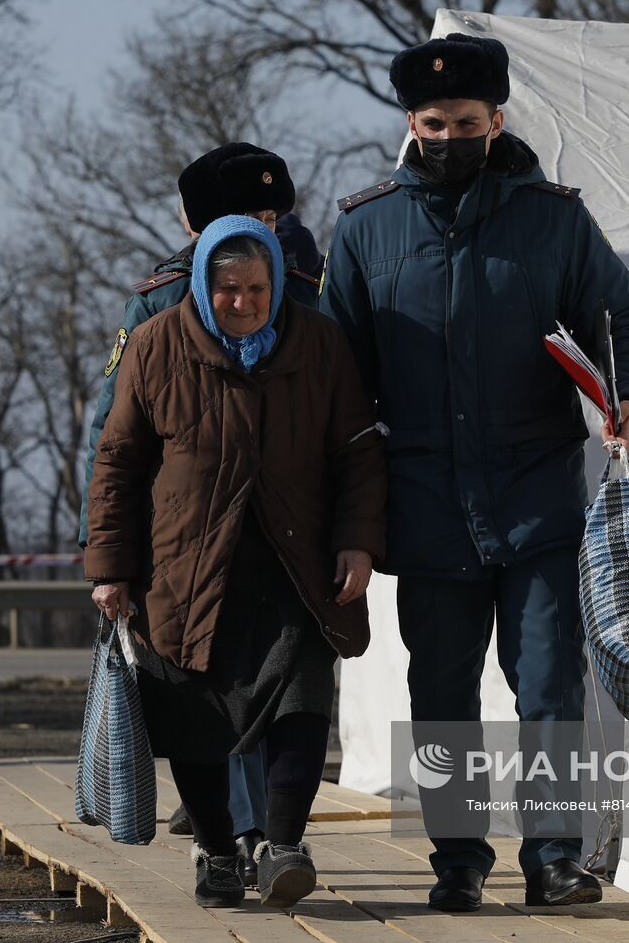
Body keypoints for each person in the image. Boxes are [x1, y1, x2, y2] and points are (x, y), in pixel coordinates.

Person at [320, 33, 629, 911]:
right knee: (440, 692)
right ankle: (458, 859)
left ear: (497, 121)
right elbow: (333, 380)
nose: (448, 138)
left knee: (547, 683)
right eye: (433, 124)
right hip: (425, 504)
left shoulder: (554, 220)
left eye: (466, 123)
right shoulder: (363, 230)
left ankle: (552, 858)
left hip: (536, 495)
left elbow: (624, 320)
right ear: (410, 123)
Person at [85, 215, 385, 910]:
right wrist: (110, 566)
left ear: (277, 284)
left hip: (295, 558)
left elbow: (358, 451)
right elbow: (118, 461)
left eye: (256, 288)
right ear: (201, 284)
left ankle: (282, 846)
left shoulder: (319, 342)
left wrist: (358, 540)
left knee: (302, 698)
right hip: (185, 565)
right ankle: (218, 852)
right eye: (228, 289)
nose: (243, 302)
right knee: (192, 711)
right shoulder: (156, 344)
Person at [78, 142, 324, 885]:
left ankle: (260, 839)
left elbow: (347, 413)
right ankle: (233, 838)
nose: (260, 228)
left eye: (270, 216)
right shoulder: (163, 304)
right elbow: (116, 438)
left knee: (274, 692)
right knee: (207, 697)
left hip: (275, 533)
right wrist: (111, 552)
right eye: (245, 215)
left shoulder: (307, 293)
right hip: (194, 538)